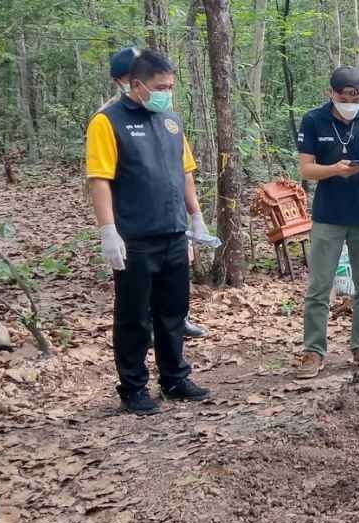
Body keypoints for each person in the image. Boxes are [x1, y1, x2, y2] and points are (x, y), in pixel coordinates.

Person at [86, 49, 212, 414]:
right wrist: (108, 230)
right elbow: (100, 179)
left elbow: (184, 170)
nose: (166, 92)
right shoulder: (108, 122)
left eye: (171, 86)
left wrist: (196, 217)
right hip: (134, 237)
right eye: (160, 86)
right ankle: (133, 387)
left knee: (173, 312)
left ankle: (174, 378)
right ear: (136, 84)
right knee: (134, 316)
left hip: (173, 232)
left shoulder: (171, 119)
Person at [294, 67, 359, 379]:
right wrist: (334, 169)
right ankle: (313, 351)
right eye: (343, 96)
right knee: (319, 287)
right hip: (328, 216)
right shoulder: (314, 120)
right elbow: (306, 170)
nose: (350, 101)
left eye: (356, 96)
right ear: (331, 93)